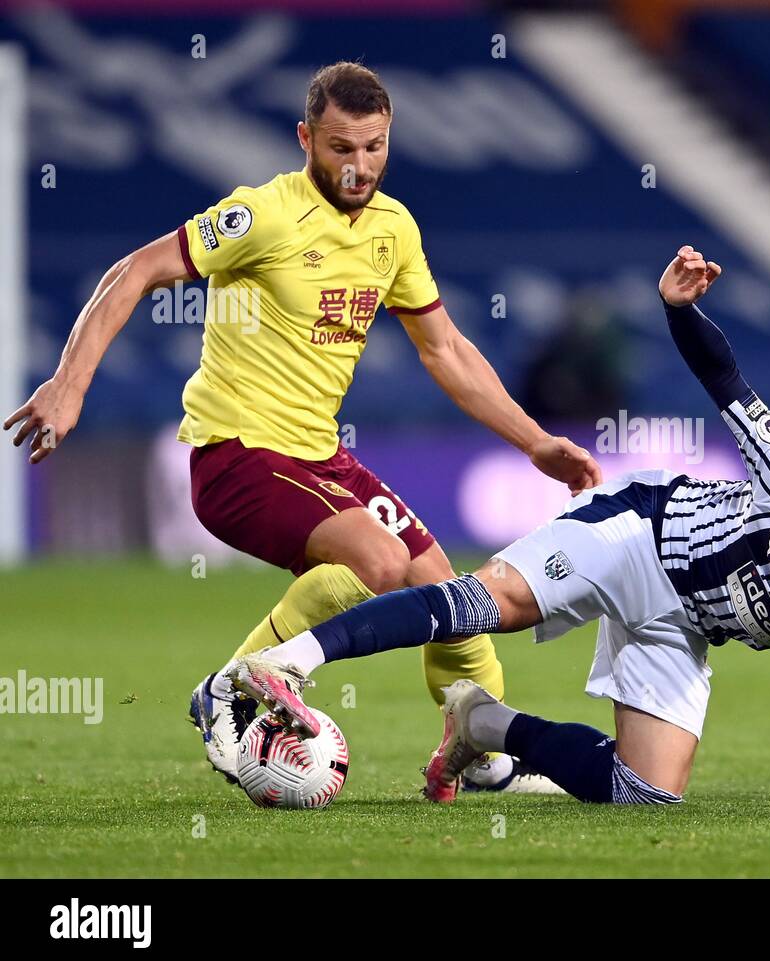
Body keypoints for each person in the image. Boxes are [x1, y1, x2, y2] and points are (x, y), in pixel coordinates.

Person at [226, 245, 770, 811]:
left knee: (646, 796)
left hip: (682, 622)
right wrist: (677, 311)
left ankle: (482, 724)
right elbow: (725, 378)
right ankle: (288, 662)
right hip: (636, 534)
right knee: (486, 605)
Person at [4, 61, 600, 793]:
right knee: (377, 563)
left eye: (375, 147)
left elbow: (444, 350)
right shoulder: (262, 215)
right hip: (237, 457)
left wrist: (536, 442)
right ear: (305, 139)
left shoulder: (394, 229)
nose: (359, 167)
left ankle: (478, 750)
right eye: (342, 148)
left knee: (448, 592)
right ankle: (227, 688)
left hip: (320, 458)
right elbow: (135, 272)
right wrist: (69, 386)